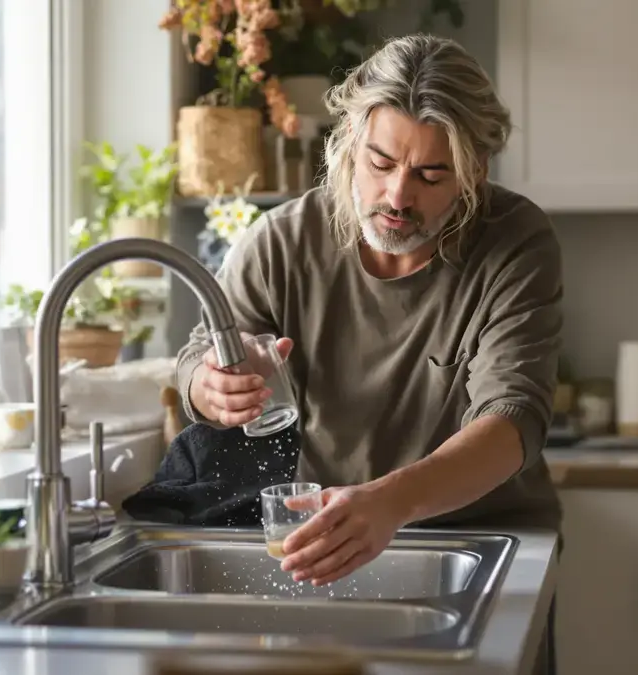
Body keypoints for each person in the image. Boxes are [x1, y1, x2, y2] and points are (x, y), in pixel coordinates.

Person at [177, 32, 561, 598]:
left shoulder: (515, 242)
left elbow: (513, 417)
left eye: (432, 175)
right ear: (350, 141)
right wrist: (211, 388)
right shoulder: (281, 242)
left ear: (475, 171)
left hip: (484, 539)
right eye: (380, 163)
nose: (398, 195)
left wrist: (392, 501)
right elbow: (195, 359)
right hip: (331, 536)